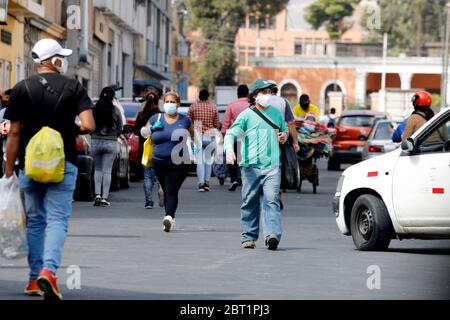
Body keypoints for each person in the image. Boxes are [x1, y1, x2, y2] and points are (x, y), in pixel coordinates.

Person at [4, 38, 95, 300]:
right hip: (63, 163)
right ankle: (49, 271)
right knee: (57, 220)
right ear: (53, 61)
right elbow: (89, 124)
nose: (63, 61)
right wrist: (71, 128)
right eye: (61, 57)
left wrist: (9, 170)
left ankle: (33, 279)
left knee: (35, 221)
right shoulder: (73, 86)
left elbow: (14, 133)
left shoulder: (21, 88)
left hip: (29, 166)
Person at [224, 79, 288, 251]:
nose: (267, 96)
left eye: (269, 92)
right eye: (263, 92)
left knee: (271, 200)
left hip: (272, 165)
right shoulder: (246, 115)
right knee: (250, 201)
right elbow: (231, 133)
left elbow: (285, 130)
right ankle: (249, 236)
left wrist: (284, 136)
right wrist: (229, 150)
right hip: (250, 166)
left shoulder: (276, 113)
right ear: (254, 95)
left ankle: (272, 235)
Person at [141, 91, 193, 232]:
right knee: (166, 189)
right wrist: (151, 129)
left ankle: (168, 217)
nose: (170, 104)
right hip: (159, 161)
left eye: (173, 102)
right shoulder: (155, 118)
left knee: (171, 190)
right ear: (163, 103)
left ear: (178, 104)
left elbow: (193, 137)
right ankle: (170, 218)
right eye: (167, 102)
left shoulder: (185, 120)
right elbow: (144, 132)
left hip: (179, 162)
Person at [91, 86, 123, 207]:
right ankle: (105, 198)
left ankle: (97, 195)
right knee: (107, 171)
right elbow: (120, 127)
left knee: (97, 169)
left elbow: (89, 125)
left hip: (95, 141)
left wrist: (94, 134)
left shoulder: (94, 109)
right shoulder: (115, 110)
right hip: (110, 142)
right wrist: (115, 134)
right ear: (112, 97)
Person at [133, 87, 163, 209]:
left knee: (146, 176)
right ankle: (161, 188)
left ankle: (149, 202)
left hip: (145, 149)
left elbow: (136, 131)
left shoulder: (141, 115)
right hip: (159, 148)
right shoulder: (161, 116)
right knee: (160, 173)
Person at [188, 89, 220, 192]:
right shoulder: (213, 108)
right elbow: (216, 124)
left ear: (199, 96)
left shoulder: (193, 107)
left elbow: (188, 122)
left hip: (197, 136)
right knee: (208, 161)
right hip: (210, 136)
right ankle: (207, 183)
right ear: (208, 97)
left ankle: (201, 183)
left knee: (199, 161)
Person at [221, 84, 250, 191]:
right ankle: (245, 178)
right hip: (247, 135)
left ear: (237, 93)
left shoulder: (231, 105)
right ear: (247, 94)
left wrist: (224, 134)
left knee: (232, 158)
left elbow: (226, 122)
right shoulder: (251, 106)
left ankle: (234, 179)